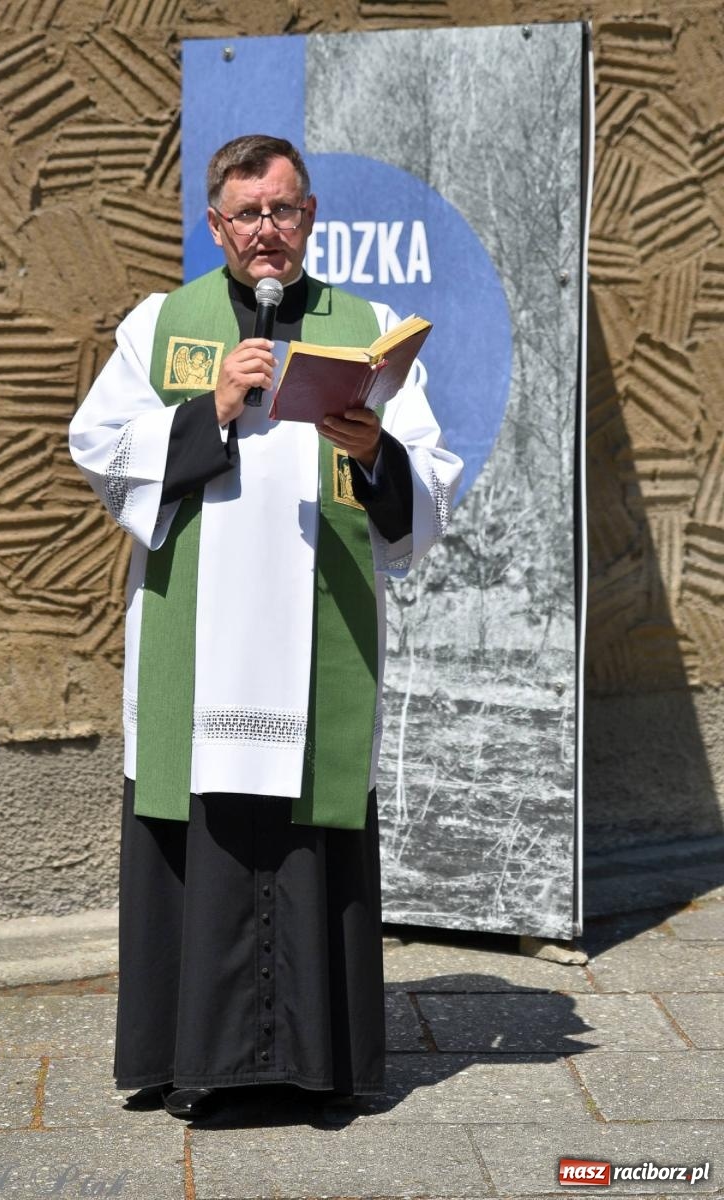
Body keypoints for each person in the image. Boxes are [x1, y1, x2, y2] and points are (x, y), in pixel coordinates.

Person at [68, 134, 462, 1119]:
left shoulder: (361, 327)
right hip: (197, 641)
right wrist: (207, 410)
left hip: (316, 628)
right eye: (246, 215)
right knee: (197, 820)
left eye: (282, 212)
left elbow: (431, 473)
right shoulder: (161, 325)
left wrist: (373, 451)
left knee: (307, 824)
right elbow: (99, 449)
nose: (265, 233)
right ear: (214, 227)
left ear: (310, 217)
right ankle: (191, 1063)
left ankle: (318, 1066)